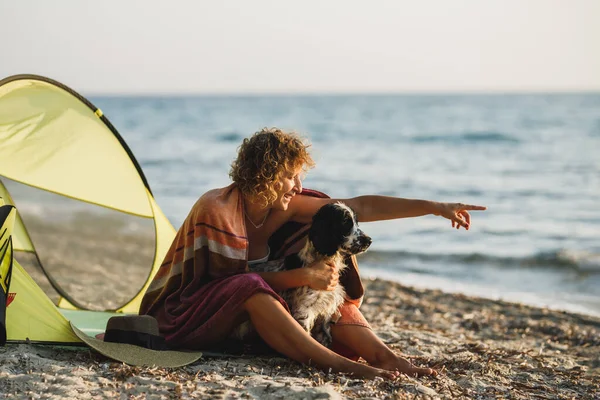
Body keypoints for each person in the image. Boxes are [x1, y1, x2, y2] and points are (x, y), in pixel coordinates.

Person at [140, 127, 486, 380]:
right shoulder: (216, 208)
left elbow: (359, 205)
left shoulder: (287, 209)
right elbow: (220, 284)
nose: (299, 186)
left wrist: (434, 207)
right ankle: (339, 365)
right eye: (291, 176)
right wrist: (299, 276)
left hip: (258, 319)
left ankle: (385, 357)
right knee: (250, 287)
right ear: (268, 175)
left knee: (330, 298)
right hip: (192, 314)